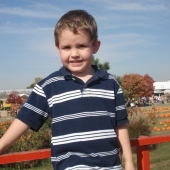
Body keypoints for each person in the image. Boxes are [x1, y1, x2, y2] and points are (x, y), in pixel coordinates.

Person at [0, 10, 135, 170]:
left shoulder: (110, 83)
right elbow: (25, 119)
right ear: (58, 48)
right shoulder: (49, 86)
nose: (74, 54)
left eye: (82, 46)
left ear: (95, 46)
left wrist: (129, 162)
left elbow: (121, 126)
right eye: (66, 47)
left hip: (110, 167)